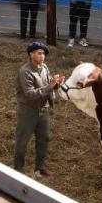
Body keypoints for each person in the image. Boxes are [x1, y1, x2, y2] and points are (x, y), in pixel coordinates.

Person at [14, 42, 65, 179]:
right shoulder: (25, 71)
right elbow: (30, 94)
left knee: (44, 139)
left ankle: (40, 168)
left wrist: (55, 84)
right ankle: (17, 171)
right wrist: (50, 86)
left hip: (43, 110)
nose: (42, 56)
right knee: (22, 141)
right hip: (28, 111)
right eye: (39, 53)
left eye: (43, 54)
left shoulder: (44, 68)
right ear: (31, 55)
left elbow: (47, 85)